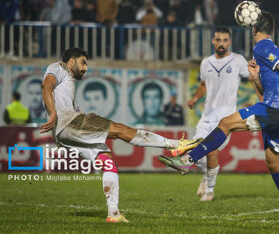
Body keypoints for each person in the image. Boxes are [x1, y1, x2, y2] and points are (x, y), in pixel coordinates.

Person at [159, 11, 279, 223]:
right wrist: (257, 77)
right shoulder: (265, 52)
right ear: (273, 29)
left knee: (225, 123)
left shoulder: (262, 46)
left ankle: (187, 159)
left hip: (276, 109)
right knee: (272, 162)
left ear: (254, 29)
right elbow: (268, 85)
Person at [40, 47, 201, 223]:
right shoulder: (59, 67)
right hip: (70, 123)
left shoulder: (67, 82)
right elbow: (46, 85)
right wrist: (53, 113)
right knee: (121, 130)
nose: (85, 68)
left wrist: (65, 112)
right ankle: (175, 145)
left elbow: (58, 96)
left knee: (108, 162)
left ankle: (113, 214)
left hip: (62, 134)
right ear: (71, 61)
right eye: (83, 62)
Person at [185, 26, 252, 202]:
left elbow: (252, 77)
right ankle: (206, 178)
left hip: (226, 118)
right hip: (207, 116)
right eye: (218, 40)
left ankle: (210, 192)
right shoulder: (205, 63)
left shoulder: (238, 60)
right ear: (213, 41)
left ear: (229, 42)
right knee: (196, 152)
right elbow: (203, 86)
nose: (221, 43)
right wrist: (194, 99)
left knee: (211, 151)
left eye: (225, 40)